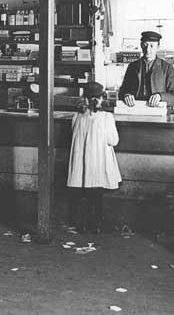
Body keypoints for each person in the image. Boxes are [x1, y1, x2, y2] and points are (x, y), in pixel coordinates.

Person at [67, 82, 121, 234]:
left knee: (83, 195)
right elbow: (113, 141)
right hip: (98, 164)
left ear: (84, 99)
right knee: (96, 195)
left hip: (81, 167)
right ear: (100, 99)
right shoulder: (106, 117)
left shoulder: (76, 117)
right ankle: (96, 224)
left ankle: (81, 224)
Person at [118, 31, 174, 108]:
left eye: (152, 46)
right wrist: (126, 95)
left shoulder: (167, 68)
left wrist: (161, 97)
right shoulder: (132, 66)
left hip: (158, 112)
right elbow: (121, 93)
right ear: (141, 45)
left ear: (158, 47)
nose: (148, 50)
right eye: (145, 45)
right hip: (136, 110)